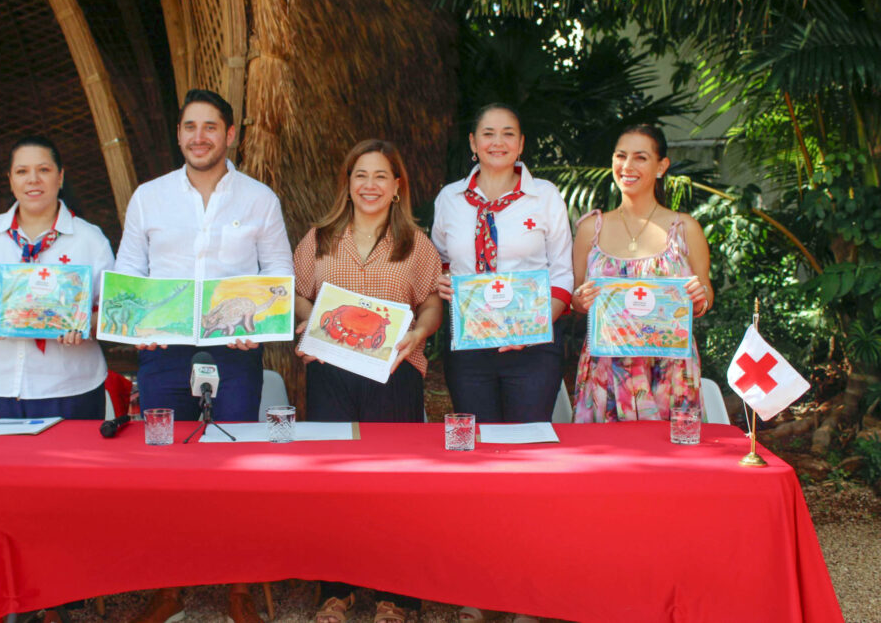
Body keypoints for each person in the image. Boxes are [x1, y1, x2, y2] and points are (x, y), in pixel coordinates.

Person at [114, 89, 292, 623]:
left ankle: (238, 587)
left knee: (234, 467)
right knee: (164, 469)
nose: (199, 137)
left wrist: (257, 326)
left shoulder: (259, 199)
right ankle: (169, 586)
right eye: (190, 126)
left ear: (230, 134)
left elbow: (277, 275)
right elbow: (130, 271)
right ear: (179, 133)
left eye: (210, 127)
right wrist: (138, 327)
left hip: (234, 351)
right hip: (163, 353)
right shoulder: (149, 197)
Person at [293, 139, 442, 623]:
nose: (370, 185)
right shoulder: (318, 238)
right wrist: (312, 320)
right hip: (330, 375)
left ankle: (394, 595)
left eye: (381, 176)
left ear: (398, 187)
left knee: (392, 485)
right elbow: (295, 294)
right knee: (333, 485)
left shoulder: (416, 244)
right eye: (361, 175)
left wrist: (418, 332)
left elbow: (432, 303)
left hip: (393, 375)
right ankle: (335, 591)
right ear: (348, 182)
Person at [0, 135, 113, 421]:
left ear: (60, 177)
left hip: (71, 384)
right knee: (0, 467)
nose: (33, 179)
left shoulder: (90, 239)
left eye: (44, 170)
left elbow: (112, 311)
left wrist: (83, 325)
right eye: (22, 171)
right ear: (10, 179)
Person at [432, 103, 574, 425]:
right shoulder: (449, 199)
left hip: (534, 347)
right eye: (488, 134)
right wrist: (440, 281)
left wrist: (532, 327)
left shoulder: (545, 196)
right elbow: (441, 262)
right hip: (468, 346)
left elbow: (563, 272)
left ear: (521, 144)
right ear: (472, 142)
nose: (498, 142)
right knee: (479, 441)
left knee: (527, 443)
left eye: (508, 134)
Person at [571, 124, 713, 422]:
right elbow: (576, 299)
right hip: (605, 369)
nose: (627, 166)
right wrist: (579, 300)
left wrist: (700, 297)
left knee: (670, 464)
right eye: (621, 156)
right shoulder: (589, 229)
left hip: (670, 370)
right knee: (602, 461)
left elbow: (704, 296)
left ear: (662, 166)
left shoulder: (685, 229)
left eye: (640, 157)